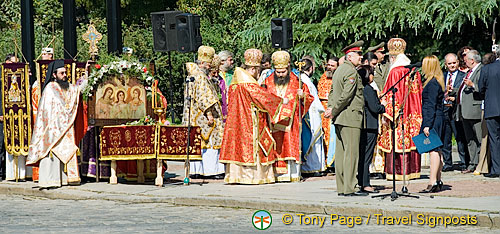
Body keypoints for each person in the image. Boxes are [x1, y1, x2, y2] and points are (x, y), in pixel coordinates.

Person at [219, 48, 283, 184]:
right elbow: (264, 99)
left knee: (238, 146)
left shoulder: (235, 83)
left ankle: (236, 175)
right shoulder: (249, 84)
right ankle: (253, 176)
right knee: (251, 147)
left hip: (236, 122)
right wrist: (282, 102)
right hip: (250, 122)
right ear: (254, 69)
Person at [27, 60, 83, 189]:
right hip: (52, 129)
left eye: (65, 72)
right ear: (54, 74)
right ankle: (49, 180)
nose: (65, 75)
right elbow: (48, 111)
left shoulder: (68, 87)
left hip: (64, 126)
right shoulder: (50, 88)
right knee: (51, 155)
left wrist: (86, 80)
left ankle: (63, 179)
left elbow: (75, 92)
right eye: (62, 73)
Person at [324, 40, 367, 196]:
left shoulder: (339, 70)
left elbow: (332, 93)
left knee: (342, 154)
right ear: (350, 57)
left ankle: (342, 187)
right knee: (351, 153)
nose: (361, 57)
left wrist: (331, 108)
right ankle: (350, 187)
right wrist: (333, 110)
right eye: (358, 54)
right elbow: (346, 96)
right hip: (350, 116)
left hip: (341, 117)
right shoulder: (350, 72)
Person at [264, 51, 314, 182]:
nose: (280, 75)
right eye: (278, 72)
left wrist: (302, 95)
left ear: (288, 68)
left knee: (290, 145)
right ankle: (275, 174)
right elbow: (263, 97)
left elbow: (309, 98)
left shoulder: (297, 81)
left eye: (283, 72)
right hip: (273, 121)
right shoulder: (267, 81)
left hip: (291, 123)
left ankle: (292, 174)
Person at [377, 38, 423, 181]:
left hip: (398, 117)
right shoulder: (414, 70)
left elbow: (391, 95)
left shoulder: (395, 72)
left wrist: (385, 110)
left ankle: (396, 172)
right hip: (412, 113)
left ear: (392, 57)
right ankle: (412, 171)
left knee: (397, 141)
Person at [184, 46, 225, 179]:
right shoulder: (200, 76)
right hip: (203, 116)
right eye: (208, 64)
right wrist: (209, 114)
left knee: (197, 143)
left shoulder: (192, 75)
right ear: (202, 63)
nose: (209, 66)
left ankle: (196, 171)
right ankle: (211, 171)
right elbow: (204, 98)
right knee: (209, 142)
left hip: (194, 116)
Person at [419, 55, 446, 193]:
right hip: (438, 118)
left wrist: (427, 124)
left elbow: (430, 105)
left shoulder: (432, 83)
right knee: (438, 150)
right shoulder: (436, 81)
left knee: (433, 150)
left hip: (434, 119)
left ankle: (432, 181)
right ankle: (438, 179)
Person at [358, 65, 385, 193]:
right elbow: (374, 108)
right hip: (370, 125)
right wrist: (383, 106)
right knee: (366, 155)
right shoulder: (368, 89)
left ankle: (361, 181)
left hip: (364, 125)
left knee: (363, 154)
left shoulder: (361, 88)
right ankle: (365, 183)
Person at [475, 47, 500, 178]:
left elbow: (481, 88)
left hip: (492, 108)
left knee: (494, 139)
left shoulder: (486, 69)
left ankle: (496, 169)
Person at [442, 53, 469, 172]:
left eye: (454, 63)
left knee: (460, 137)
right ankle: (447, 163)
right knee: (445, 138)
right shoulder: (442, 77)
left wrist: (456, 97)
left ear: (458, 63)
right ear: (445, 64)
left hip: (457, 110)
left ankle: (464, 162)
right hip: (444, 110)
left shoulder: (464, 76)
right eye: (449, 63)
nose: (452, 65)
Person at [299, 58, 326, 176]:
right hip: (311, 114)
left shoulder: (300, 79)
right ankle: (312, 167)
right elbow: (313, 100)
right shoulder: (307, 82)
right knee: (313, 139)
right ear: (310, 69)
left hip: (305, 113)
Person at [458, 50, 483, 174]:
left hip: (475, 110)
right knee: (470, 140)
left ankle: (480, 163)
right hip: (465, 111)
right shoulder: (469, 71)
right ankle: (472, 163)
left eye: (466, 59)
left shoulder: (481, 70)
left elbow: (483, 88)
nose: (464, 61)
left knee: (479, 138)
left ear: (472, 60)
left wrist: (473, 85)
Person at [318, 55, 339, 169]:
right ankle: (326, 161)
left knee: (333, 137)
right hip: (323, 112)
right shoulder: (323, 78)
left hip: (333, 110)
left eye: (332, 66)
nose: (329, 68)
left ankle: (333, 162)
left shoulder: (338, 78)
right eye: (328, 65)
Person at [209, 55, 228, 123]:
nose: (216, 75)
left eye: (218, 72)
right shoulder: (206, 81)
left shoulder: (221, 80)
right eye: (214, 72)